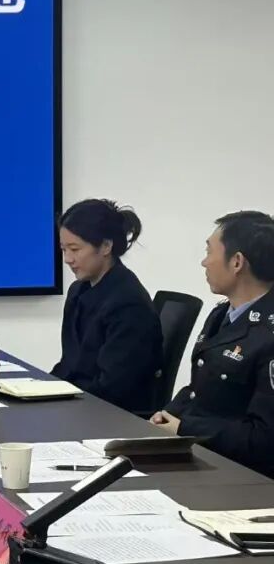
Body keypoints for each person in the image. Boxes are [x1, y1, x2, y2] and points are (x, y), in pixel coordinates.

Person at [152, 210, 274, 477]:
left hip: (245, 477)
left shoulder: (269, 333)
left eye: (209, 252)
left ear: (237, 262)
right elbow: (199, 388)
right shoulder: (222, 314)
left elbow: (265, 440)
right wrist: (165, 415)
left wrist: (185, 429)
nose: (204, 262)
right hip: (206, 456)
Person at [50, 199, 162, 414]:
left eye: (74, 249)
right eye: (63, 249)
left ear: (106, 246)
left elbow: (113, 387)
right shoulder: (78, 291)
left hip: (110, 414)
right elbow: (70, 364)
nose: (67, 259)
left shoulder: (128, 304)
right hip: (80, 402)